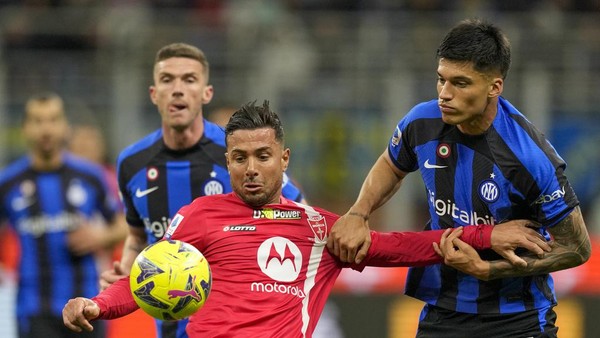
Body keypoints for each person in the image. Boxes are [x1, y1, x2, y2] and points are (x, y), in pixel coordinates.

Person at [63, 101, 550, 337]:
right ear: (226, 163)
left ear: (285, 158)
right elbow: (146, 276)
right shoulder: (198, 216)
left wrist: (486, 233)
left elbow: (403, 245)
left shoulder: (318, 228)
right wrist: (97, 304)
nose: (251, 169)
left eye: (263, 155)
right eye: (239, 158)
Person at [327, 18, 591, 337]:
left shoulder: (529, 157)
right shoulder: (421, 122)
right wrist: (359, 212)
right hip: (442, 311)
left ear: (494, 86)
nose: (444, 94)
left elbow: (576, 248)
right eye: (441, 80)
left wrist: (490, 270)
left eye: (461, 83)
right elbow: (391, 163)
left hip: (517, 320)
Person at [99, 43, 307, 338]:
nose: (178, 89)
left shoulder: (236, 153)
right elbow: (136, 235)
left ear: (206, 93)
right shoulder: (131, 163)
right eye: (167, 80)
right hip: (169, 327)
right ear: (154, 94)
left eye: (189, 79)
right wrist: (126, 272)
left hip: (237, 326)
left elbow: (297, 213)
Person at [0, 92, 127, 338]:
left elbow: (124, 225)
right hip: (33, 308)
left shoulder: (90, 176)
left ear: (65, 126)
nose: (46, 129)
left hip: (87, 304)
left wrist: (99, 237)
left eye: (53, 119)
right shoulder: (8, 183)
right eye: (38, 121)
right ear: (25, 128)